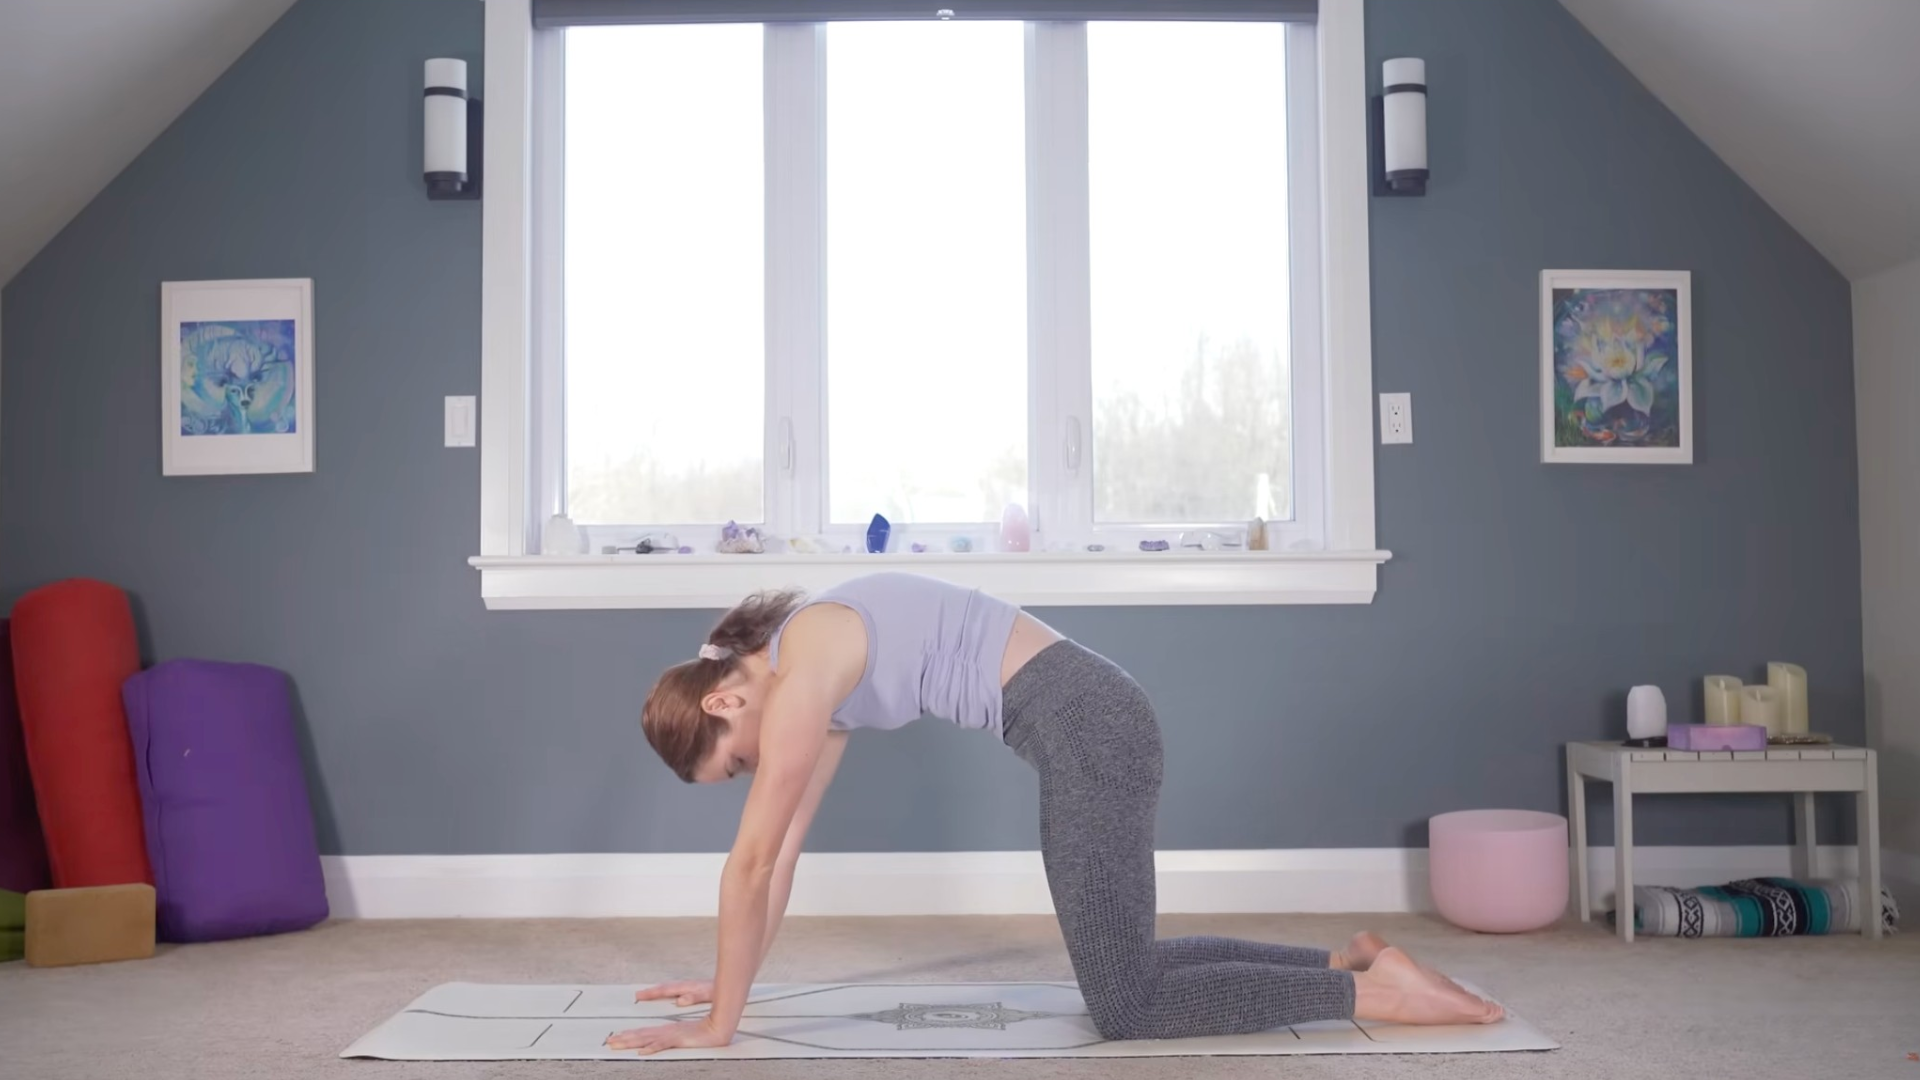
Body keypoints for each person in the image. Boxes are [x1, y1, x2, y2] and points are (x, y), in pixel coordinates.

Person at [608, 572, 1502, 1054]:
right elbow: (786, 854)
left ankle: (1375, 996)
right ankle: (1349, 956)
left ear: (725, 707)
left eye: (736, 766)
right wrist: (734, 984)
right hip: (1082, 724)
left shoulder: (800, 672)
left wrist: (718, 1028)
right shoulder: (812, 673)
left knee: (1127, 1006)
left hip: (1085, 727)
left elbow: (751, 861)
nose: (753, 771)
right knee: (1126, 965)